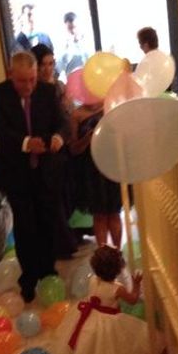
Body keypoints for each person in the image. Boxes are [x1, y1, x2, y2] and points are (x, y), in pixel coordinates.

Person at [0, 51, 66, 303]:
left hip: (46, 171)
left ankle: (48, 270)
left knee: (47, 221)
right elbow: (0, 132)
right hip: (16, 172)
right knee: (25, 226)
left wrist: (58, 137)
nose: (29, 86)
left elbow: (61, 123)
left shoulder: (46, 91)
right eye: (23, 81)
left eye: (32, 79)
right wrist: (25, 143)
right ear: (11, 76)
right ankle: (29, 277)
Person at [52, 245, 150, 354]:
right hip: (108, 320)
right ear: (118, 269)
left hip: (90, 316)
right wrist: (137, 284)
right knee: (111, 344)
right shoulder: (117, 288)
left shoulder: (92, 280)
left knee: (89, 344)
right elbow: (133, 300)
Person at [31, 43, 79, 257]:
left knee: (67, 192)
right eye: (43, 64)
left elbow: (66, 117)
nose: (48, 68)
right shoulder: (32, 91)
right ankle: (60, 242)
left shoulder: (58, 86)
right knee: (52, 199)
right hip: (44, 153)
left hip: (65, 146)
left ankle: (70, 232)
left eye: (51, 63)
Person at [68, 101, 122, 248]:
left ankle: (117, 253)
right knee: (99, 215)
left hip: (113, 165)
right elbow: (73, 149)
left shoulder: (112, 105)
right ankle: (103, 254)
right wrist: (87, 139)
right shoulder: (76, 115)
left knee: (114, 212)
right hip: (91, 171)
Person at [57, 11, 91, 80]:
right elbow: (58, 68)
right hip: (73, 83)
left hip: (89, 81)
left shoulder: (88, 42)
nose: (73, 32)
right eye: (70, 29)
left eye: (74, 27)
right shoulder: (62, 47)